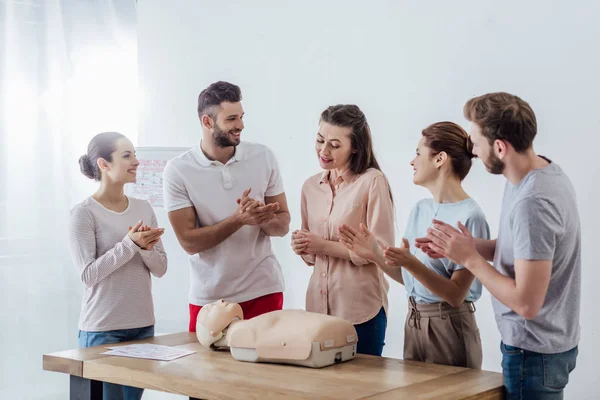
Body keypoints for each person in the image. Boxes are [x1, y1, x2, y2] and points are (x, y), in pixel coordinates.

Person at [423, 93, 580, 399]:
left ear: (499, 148)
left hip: (534, 353)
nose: (473, 151)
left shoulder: (533, 202)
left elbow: (526, 304)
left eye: (475, 142)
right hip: (547, 347)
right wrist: (463, 247)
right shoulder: (539, 173)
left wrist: (469, 259)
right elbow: (522, 250)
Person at [339, 122, 489, 368]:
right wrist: (376, 255)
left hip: (450, 325)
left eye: (418, 153)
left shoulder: (472, 217)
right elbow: (411, 279)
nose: (413, 161)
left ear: (440, 159)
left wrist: (411, 262)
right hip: (415, 321)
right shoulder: (421, 209)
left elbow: (455, 295)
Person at [163, 81, 290, 333]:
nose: (240, 125)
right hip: (210, 298)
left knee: (266, 370)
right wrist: (238, 220)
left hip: (264, 290)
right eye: (231, 118)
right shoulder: (178, 170)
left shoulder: (263, 156)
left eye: (241, 117)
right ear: (207, 122)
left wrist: (261, 218)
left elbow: (283, 225)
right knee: (206, 372)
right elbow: (189, 242)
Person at [68, 132, 168, 400]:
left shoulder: (143, 207)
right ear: (104, 164)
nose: (136, 162)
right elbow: (88, 275)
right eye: (127, 156)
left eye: (135, 155)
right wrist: (130, 245)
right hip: (103, 330)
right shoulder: (83, 213)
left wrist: (146, 249)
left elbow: (160, 268)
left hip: (143, 326)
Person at [291, 104, 394, 356]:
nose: (323, 151)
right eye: (320, 140)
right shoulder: (310, 187)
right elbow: (311, 255)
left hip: (360, 310)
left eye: (335, 145)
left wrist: (323, 245)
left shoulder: (372, 182)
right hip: (318, 310)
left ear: (355, 146)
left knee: (363, 391)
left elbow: (381, 251)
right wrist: (302, 246)